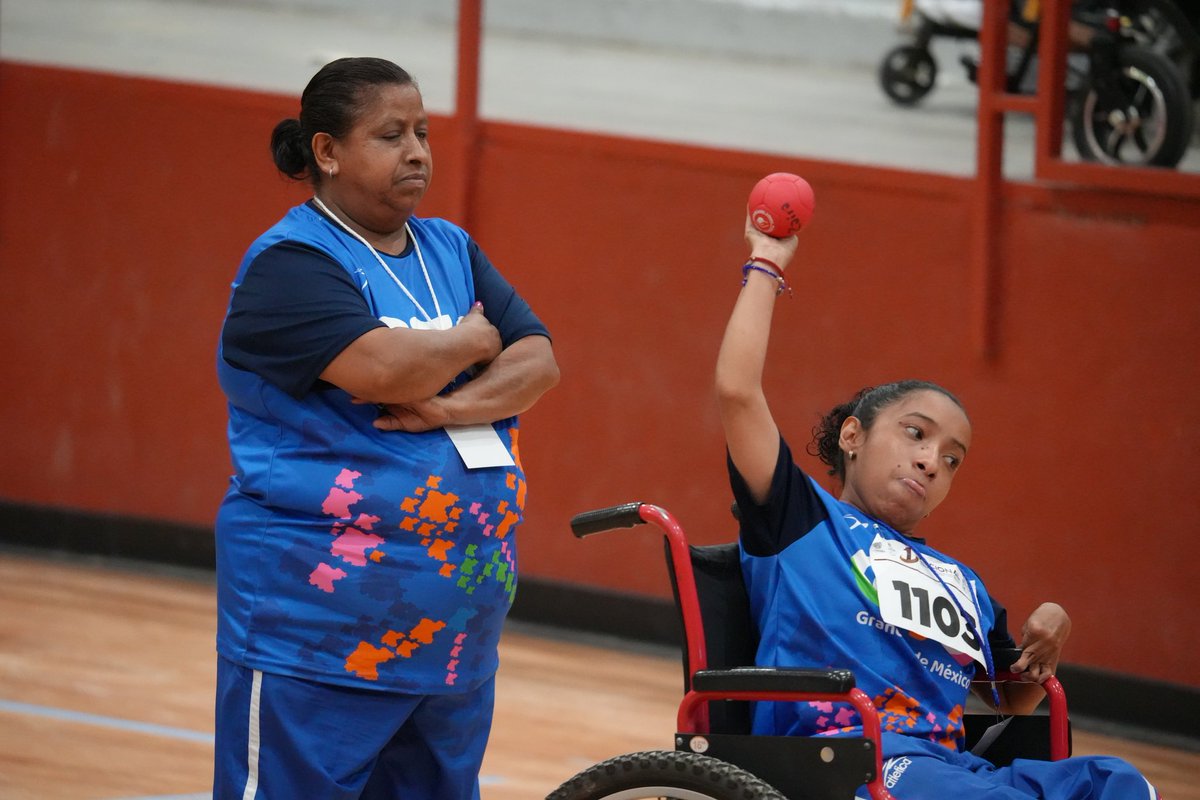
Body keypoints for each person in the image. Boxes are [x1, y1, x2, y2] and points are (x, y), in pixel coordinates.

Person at [713, 217, 1160, 798]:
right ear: (853, 438)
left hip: (947, 767)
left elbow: (1009, 696)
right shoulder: (802, 520)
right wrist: (767, 262)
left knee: (1117, 783)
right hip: (853, 760)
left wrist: (1049, 635)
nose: (931, 462)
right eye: (916, 435)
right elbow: (738, 391)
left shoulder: (961, 584)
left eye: (953, 459)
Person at [213, 57, 559, 799]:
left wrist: (450, 406)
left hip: (454, 641)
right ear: (327, 151)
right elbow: (382, 371)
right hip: (318, 636)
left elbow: (539, 362)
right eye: (391, 134)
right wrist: (469, 344)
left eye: (424, 133)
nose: (417, 152)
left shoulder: (452, 249)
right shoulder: (293, 263)